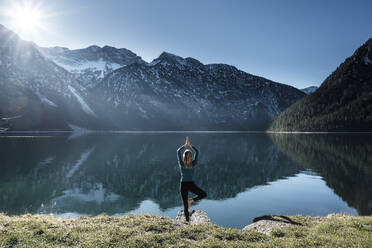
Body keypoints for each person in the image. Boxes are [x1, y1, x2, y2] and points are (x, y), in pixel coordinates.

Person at [177, 136, 207, 222]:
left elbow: (178, 152)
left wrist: (184, 145)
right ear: (191, 156)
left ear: (184, 156)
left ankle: (187, 221)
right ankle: (191, 200)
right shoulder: (193, 163)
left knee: (185, 207)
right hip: (191, 184)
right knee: (203, 194)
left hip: (183, 184)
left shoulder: (181, 164)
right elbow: (197, 152)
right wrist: (190, 146)